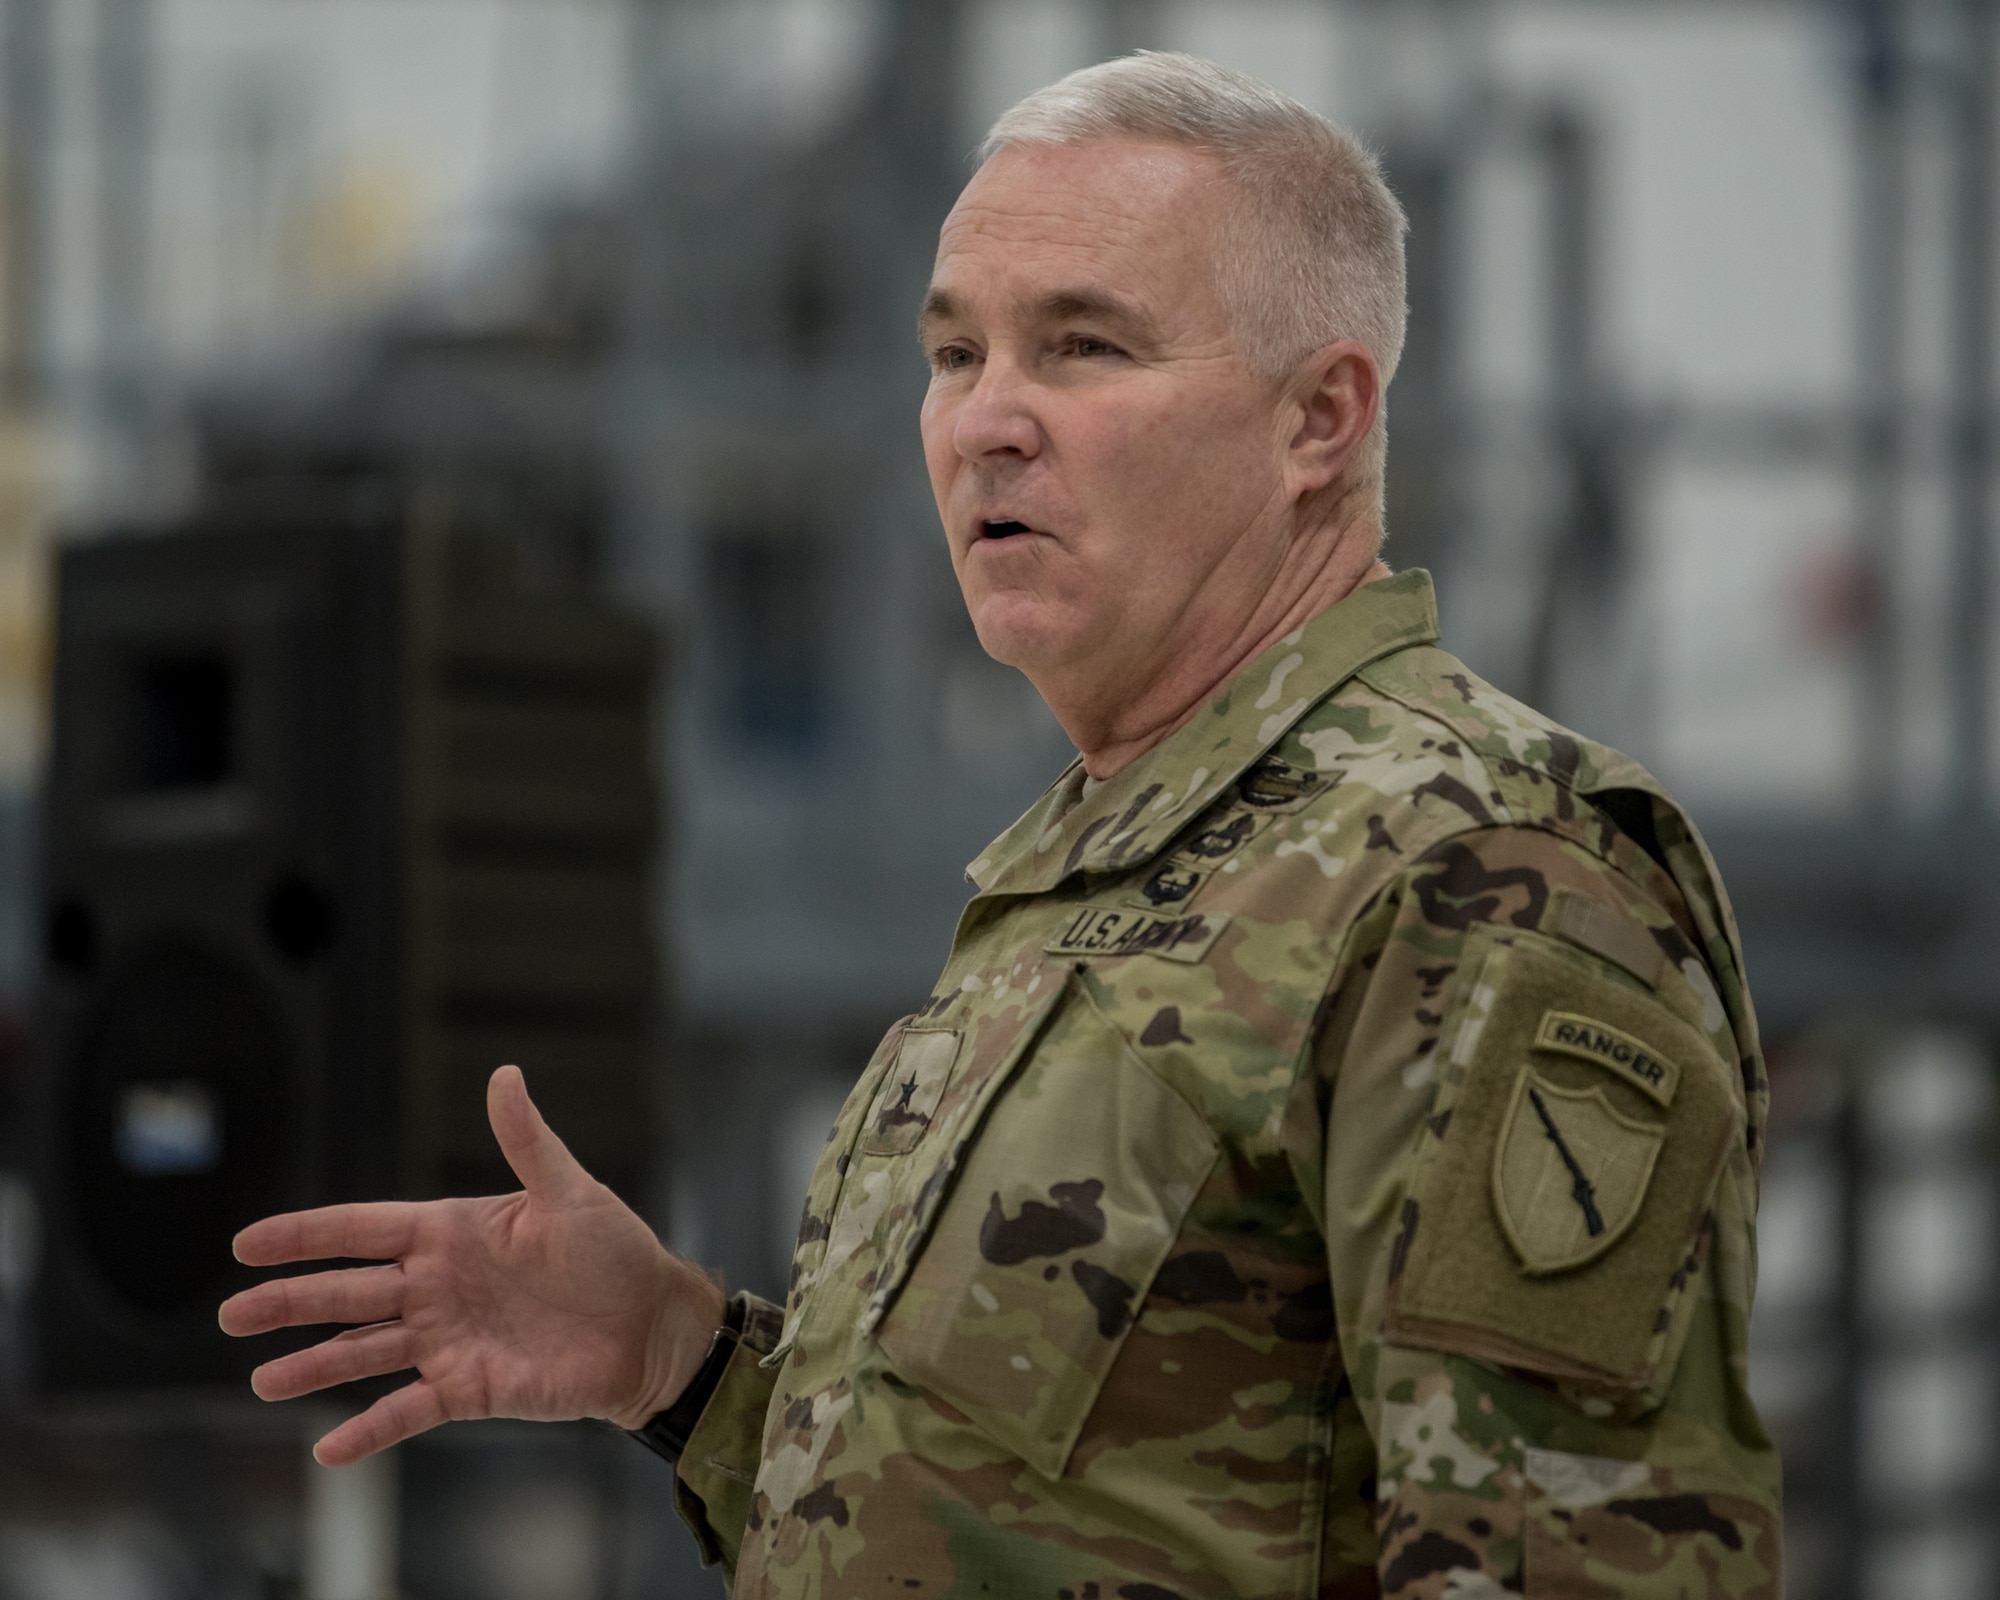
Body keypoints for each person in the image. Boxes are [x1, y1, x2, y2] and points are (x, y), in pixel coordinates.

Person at [222, 52, 1781, 1598]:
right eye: (954, 353)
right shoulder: (1099, 875)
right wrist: (675, 1362)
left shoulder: (1477, 868)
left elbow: (1569, 1566)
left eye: (1085, 347)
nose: (986, 424)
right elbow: (1062, 1521)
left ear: (1320, 418)